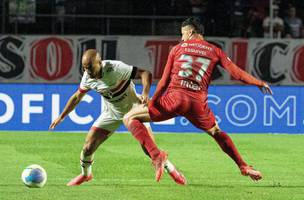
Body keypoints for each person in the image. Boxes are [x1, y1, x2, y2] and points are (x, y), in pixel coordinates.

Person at [123, 17, 273, 182]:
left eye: (183, 34)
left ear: (190, 31)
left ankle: (156, 155)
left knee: (130, 117)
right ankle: (243, 166)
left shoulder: (177, 49)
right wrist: (258, 82)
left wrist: (155, 101)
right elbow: (236, 72)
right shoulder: (215, 50)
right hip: (196, 104)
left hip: (175, 99)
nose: (182, 38)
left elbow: (164, 81)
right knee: (216, 132)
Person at [49, 49, 186, 186]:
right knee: (88, 147)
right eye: (85, 68)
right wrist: (61, 116)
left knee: (149, 149)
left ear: (100, 63)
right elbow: (77, 97)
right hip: (111, 113)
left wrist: (145, 93)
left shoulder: (116, 68)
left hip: (134, 111)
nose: (88, 72)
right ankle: (86, 175)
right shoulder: (87, 77)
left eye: (91, 68)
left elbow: (145, 73)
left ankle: (173, 171)